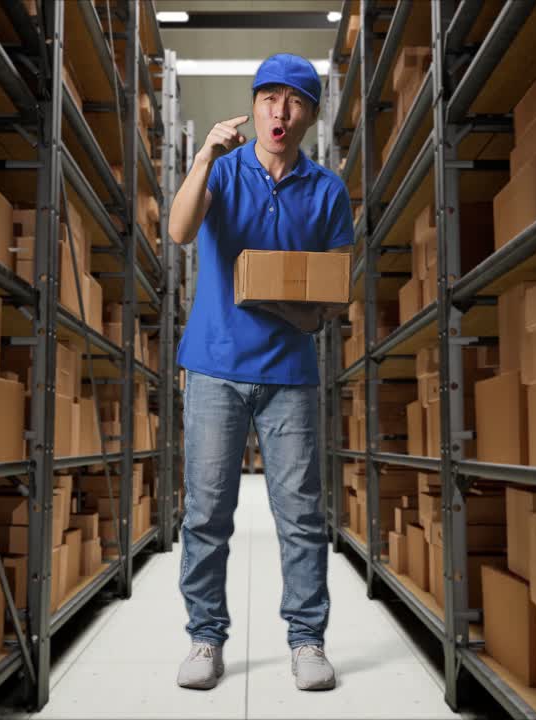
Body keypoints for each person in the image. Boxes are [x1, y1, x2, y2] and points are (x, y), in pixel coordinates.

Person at [168, 53, 354, 692]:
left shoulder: (328, 191)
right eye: (269, 97)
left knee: (301, 515)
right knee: (207, 512)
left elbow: (330, 295)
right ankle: (205, 637)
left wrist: (289, 304)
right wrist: (201, 160)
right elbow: (178, 231)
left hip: (290, 374)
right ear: (254, 104)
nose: (280, 110)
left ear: (309, 114)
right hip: (215, 364)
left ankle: (307, 640)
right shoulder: (222, 171)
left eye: (295, 100)